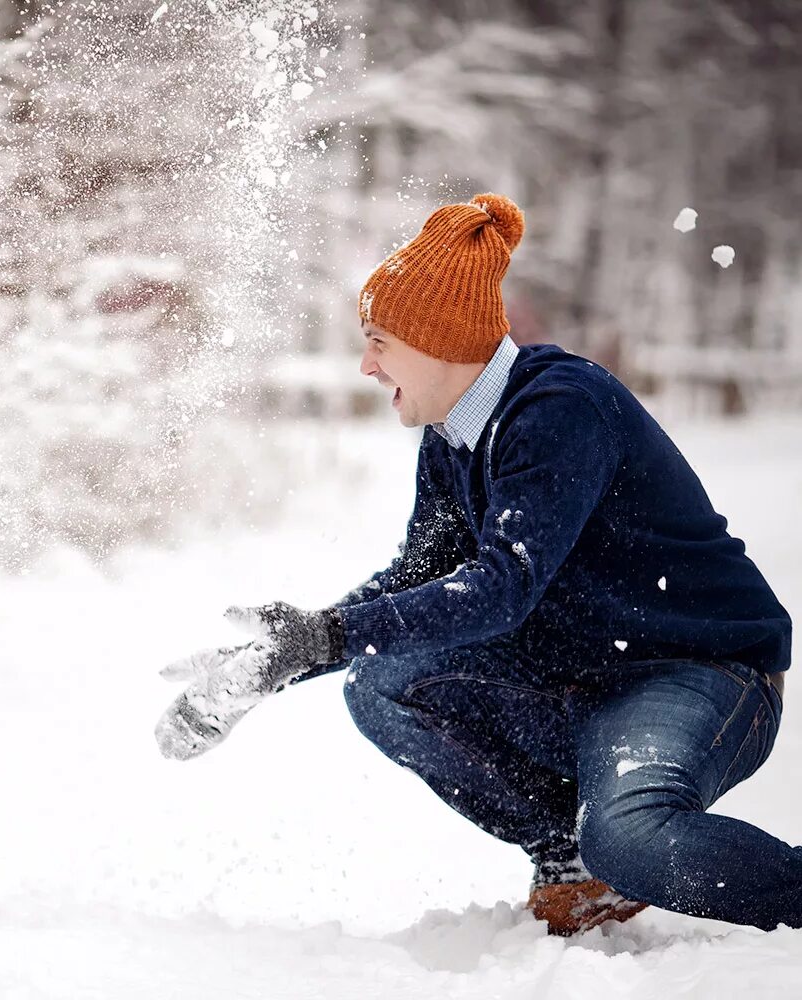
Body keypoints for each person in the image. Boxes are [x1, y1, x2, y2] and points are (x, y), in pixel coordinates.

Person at [154, 193, 794, 935]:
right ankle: (571, 858)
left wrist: (326, 635)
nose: (365, 365)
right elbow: (420, 580)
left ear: (438, 340)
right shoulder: (453, 435)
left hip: (696, 673)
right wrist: (286, 658)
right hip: (578, 676)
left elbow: (500, 591)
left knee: (632, 838)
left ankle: (625, 855)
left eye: (379, 340)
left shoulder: (561, 409)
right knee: (385, 681)